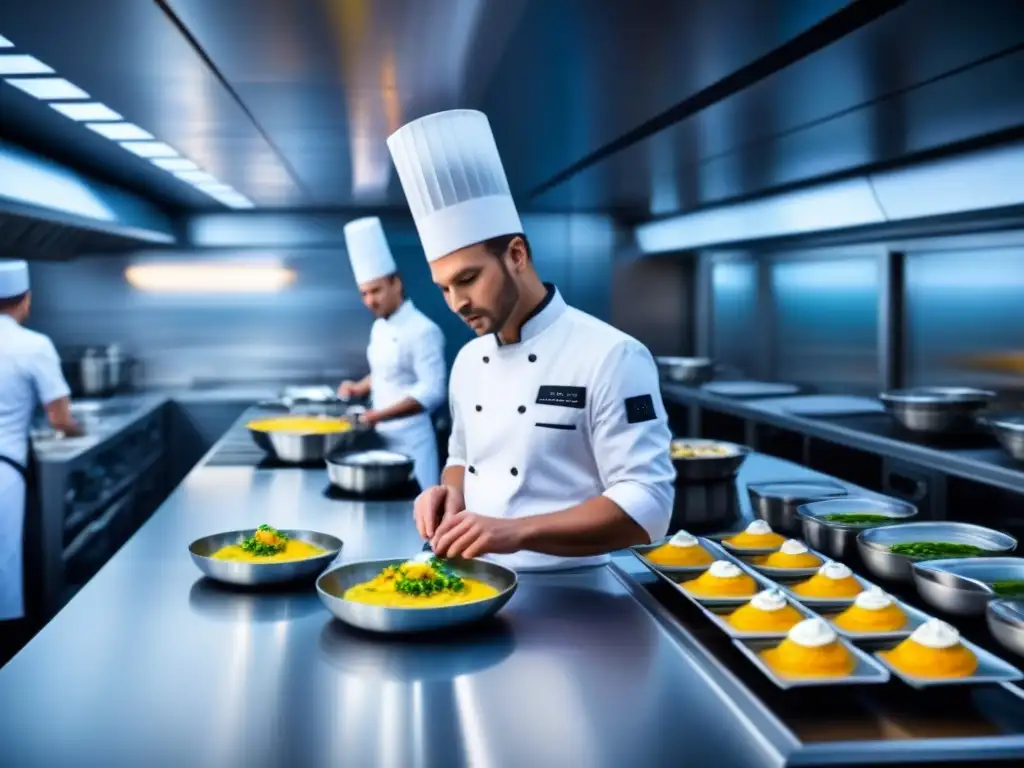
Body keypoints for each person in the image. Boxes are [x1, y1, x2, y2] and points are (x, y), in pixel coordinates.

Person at [386, 110, 677, 570]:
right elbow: (461, 455)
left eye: (468, 278)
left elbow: (649, 504)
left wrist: (518, 531)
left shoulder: (613, 356)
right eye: (444, 288)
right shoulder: (467, 359)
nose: (457, 302)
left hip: (580, 593)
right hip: (478, 581)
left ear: (516, 254)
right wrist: (450, 493)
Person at [0, 260, 80, 643]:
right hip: (4, 472)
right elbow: (60, 419)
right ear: (26, 300)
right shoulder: (32, 345)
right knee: (3, 572)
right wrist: (78, 428)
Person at [336, 217, 447, 491]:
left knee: (419, 522)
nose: (370, 301)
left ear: (396, 283)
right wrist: (358, 387)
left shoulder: (423, 331)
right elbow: (386, 371)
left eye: (376, 291)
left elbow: (432, 391)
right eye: (364, 293)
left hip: (413, 444)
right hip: (382, 441)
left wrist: (378, 415)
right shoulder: (380, 327)